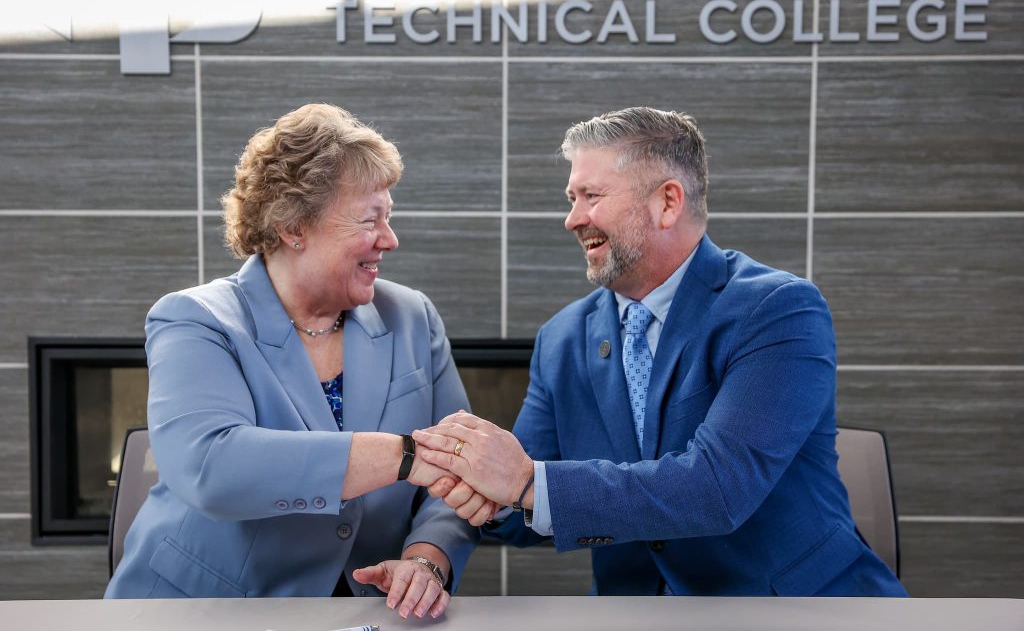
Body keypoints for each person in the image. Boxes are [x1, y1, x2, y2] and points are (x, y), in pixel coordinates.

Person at [415, 107, 908, 597]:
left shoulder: (778, 311)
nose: (572, 219)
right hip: (635, 614)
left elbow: (717, 489)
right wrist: (488, 493)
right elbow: (525, 499)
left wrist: (523, 483)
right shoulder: (561, 338)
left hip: (792, 610)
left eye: (592, 196)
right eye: (571, 198)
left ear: (667, 202)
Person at [105, 103, 494, 619]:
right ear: (294, 227)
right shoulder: (196, 319)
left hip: (360, 612)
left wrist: (425, 561)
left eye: (389, 216)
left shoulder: (411, 316)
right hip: (202, 609)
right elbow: (212, 467)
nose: (389, 239)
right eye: (369, 218)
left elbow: (458, 479)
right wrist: (404, 455)